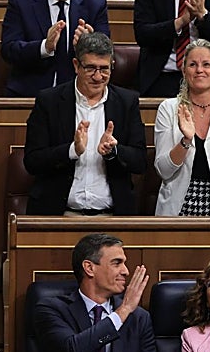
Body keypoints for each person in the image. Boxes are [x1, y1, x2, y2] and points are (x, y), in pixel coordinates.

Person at [23, 31, 146, 216]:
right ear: (76, 65)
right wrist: (72, 150)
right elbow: (32, 161)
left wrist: (114, 151)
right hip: (60, 214)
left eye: (104, 69)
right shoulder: (49, 101)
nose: (98, 77)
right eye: (90, 68)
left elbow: (140, 161)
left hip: (111, 216)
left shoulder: (127, 102)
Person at [1, 0, 110, 96]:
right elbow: (9, 50)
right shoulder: (21, 1)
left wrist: (88, 45)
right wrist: (45, 47)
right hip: (31, 93)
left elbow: (106, 53)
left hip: (79, 95)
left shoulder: (95, 4)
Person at [153, 38, 210, 217]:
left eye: (206, 64)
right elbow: (164, 171)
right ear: (183, 70)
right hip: (176, 209)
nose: (199, 70)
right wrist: (185, 140)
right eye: (192, 64)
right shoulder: (169, 108)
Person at [32, 232, 155, 352]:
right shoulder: (51, 309)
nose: (126, 271)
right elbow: (73, 351)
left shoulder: (139, 318)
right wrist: (123, 311)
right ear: (89, 268)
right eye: (116, 263)